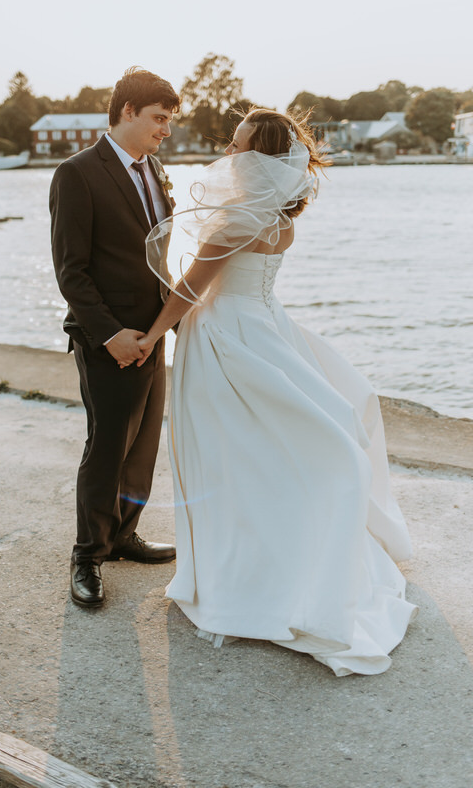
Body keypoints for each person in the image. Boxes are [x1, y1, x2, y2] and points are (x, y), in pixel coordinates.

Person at [136, 107, 418, 676]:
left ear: (262, 159)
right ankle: (286, 553)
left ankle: (245, 573)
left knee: (226, 453)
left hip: (225, 339)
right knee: (270, 447)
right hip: (265, 328)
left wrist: (150, 338)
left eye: (241, 147)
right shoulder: (280, 219)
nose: (230, 154)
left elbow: (189, 291)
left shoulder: (237, 219)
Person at [49, 67, 181, 609]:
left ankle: (123, 535)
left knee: (144, 442)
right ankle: (87, 555)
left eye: (169, 121)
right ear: (128, 111)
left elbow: (159, 254)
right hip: (110, 342)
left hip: (153, 335)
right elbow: (70, 271)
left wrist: (164, 323)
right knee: (106, 447)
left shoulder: (154, 168)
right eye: (159, 118)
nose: (165, 130)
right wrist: (110, 336)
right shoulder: (77, 174)